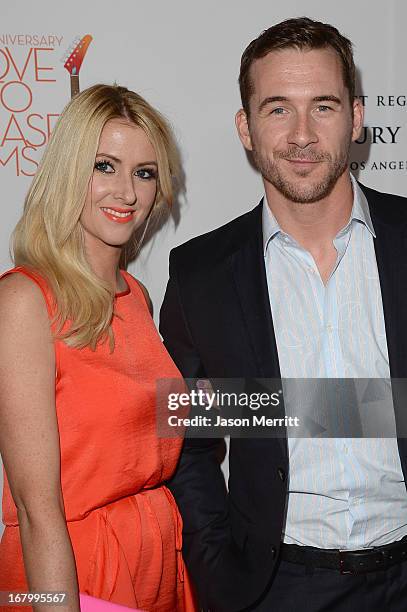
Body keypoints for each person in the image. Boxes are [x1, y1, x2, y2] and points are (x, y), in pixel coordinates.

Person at [159, 17, 407, 612]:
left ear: (357, 115)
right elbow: (188, 441)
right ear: (245, 127)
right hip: (276, 588)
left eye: (323, 106)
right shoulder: (201, 275)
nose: (301, 134)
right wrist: (215, 563)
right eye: (277, 109)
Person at [0, 84, 196, 612]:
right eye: (104, 166)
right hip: (72, 571)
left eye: (144, 172)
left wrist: (353, 407)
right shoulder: (24, 300)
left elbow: (157, 421)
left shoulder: (138, 298)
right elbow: (36, 511)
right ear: (68, 171)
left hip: (153, 561)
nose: (127, 192)